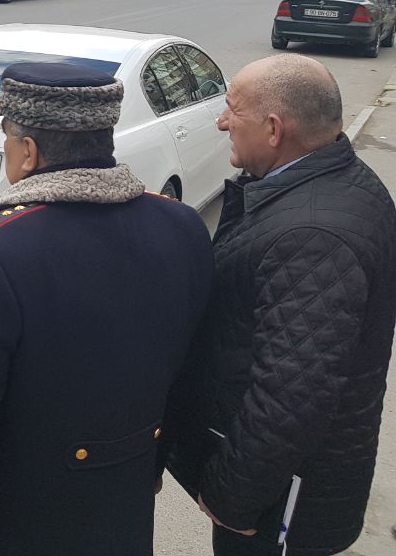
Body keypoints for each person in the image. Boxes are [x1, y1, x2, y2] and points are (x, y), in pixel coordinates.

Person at [0, 63, 214, 555]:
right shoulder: (181, 226)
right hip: (125, 496)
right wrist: (152, 465)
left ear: (28, 152)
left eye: (6, 137)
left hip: (15, 515)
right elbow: (189, 373)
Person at [164, 55, 396, 556]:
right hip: (286, 488)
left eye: (232, 109)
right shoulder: (328, 184)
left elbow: (291, 397)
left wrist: (231, 499)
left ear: (273, 130)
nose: (221, 121)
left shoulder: (313, 238)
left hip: (280, 508)